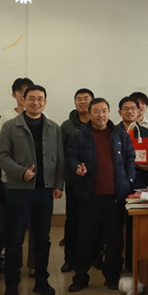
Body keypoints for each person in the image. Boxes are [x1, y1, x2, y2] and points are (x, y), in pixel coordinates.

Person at [0, 85, 64, 295]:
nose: (36, 102)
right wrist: (21, 172)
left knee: (43, 238)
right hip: (19, 191)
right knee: (15, 238)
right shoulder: (10, 126)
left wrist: (58, 184)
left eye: (40, 99)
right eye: (31, 98)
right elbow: (1, 155)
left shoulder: (53, 127)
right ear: (23, 100)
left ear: (45, 102)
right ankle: (12, 284)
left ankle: (41, 281)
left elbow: (60, 157)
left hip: (45, 191)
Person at [66, 98, 135, 292]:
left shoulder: (119, 133)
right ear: (89, 113)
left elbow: (130, 157)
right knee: (85, 237)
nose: (101, 115)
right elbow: (70, 157)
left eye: (104, 110)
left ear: (109, 113)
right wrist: (76, 167)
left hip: (115, 195)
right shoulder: (79, 135)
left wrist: (129, 180)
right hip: (90, 195)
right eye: (96, 111)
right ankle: (80, 276)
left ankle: (112, 276)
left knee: (114, 239)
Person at [59, 88, 94, 274]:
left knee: (93, 221)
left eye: (86, 98)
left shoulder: (98, 122)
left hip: (95, 181)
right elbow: (62, 154)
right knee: (72, 220)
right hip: (74, 181)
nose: (82, 102)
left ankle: (94, 257)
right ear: (74, 103)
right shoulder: (66, 126)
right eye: (79, 99)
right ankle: (69, 259)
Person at [118, 96, 148, 190]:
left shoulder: (145, 132)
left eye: (133, 108)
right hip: (119, 179)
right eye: (126, 109)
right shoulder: (113, 132)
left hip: (140, 179)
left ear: (138, 111)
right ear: (120, 112)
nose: (130, 111)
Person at [0, 77, 34, 142]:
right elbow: (0, 140)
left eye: (26, 91)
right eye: (20, 91)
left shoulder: (41, 115)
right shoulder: (6, 115)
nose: (23, 95)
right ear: (13, 95)